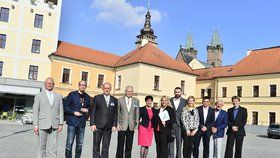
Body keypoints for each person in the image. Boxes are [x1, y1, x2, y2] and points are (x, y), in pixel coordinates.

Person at [33, 77, 64, 158]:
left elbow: (61, 110)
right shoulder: (38, 96)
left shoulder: (58, 96)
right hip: (42, 124)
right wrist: (35, 125)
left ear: (53, 85)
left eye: (51, 83)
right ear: (45, 84)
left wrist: (61, 123)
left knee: (53, 148)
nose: (50, 84)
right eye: (48, 83)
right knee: (41, 147)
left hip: (55, 124)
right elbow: (36, 111)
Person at [90, 82, 118, 158]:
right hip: (98, 125)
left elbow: (116, 113)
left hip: (108, 127)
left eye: (108, 88)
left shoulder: (114, 100)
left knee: (106, 146)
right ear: (102, 89)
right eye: (105, 88)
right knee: (96, 144)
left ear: (110, 89)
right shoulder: (97, 98)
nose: (107, 90)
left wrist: (114, 125)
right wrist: (92, 124)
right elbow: (93, 111)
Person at [64, 81, 91, 158]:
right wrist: (73, 112)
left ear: (86, 86)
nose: (83, 86)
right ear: (78, 85)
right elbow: (66, 106)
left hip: (82, 123)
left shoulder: (87, 97)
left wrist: (87, 110)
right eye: (81, 85)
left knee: (80, 145)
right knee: (69, 144)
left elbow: (89, 107)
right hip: (72, 122)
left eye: (84, 85)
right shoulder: (72, 94)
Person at [116, 86, 140, 158]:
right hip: (122, 126)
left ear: (133, 92)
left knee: (129, 146)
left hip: (131, 126)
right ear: (125, 91)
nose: (129, 93)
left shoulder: (136, 101)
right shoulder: (120, 100)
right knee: (120, 145)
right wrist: (117, 123)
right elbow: (117, 113)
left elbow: (137, 114)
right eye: (128, 91)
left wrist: (136, 126)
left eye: (131, 91)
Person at [169, 87, 187, 158]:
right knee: (170, 142)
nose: (177, 93)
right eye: (176, 92)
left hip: (180, 125)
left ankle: (178, 156)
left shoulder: (185, 101)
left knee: (179, 143)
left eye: (178, 92)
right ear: (174, 92)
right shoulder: (170, 100)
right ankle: (170, 156)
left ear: (181, 93)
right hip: (171, 124)